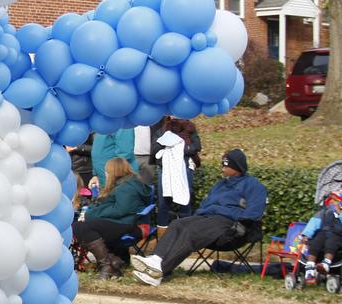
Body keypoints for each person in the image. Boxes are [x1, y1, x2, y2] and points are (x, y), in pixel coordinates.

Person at [131, 149, 266, 286]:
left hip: (229, 224)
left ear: (237, 168)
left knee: (191, 232)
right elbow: (205, 205)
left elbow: (254, 212)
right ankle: (155, 259)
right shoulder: (221, 184)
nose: (223, 168)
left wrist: (240, 225)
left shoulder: (253, 185)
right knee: (177, 224)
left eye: (226, 166)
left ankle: (160, 271)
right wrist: (197, 216)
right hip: (208, 217)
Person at [73, 157, 152, 279]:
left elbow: (120, 210)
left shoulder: (127, 187)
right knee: (80, 226)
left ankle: (107, 265)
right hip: (123, 222)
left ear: (114, 171)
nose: (105, 173)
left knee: (82, 227)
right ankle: (113, 261)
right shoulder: (126, 184)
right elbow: (113, 207)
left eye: (107, 171)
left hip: (128, 224)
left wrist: (91, 214)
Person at [151, 116, 201, 229]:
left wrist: (180, 148)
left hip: (184, 168)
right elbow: (154, 149)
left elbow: (196, 146)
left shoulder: (190, 127)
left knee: (185, 201)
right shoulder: (162, 129)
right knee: (164, 201)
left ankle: (185, 231)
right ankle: (162, 231)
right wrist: (167, 144)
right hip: (165, 170)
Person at [301, 192, 342, 284]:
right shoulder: (323, 213)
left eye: (336, 201)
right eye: (332, 201)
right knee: (315, 242)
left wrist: (339, 212)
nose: (333, 203)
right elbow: (313, 223)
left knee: (331, 243)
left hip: (338, 235)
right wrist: (306, 235)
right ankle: (310, 267)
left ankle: (326, 263)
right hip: (323, 233)